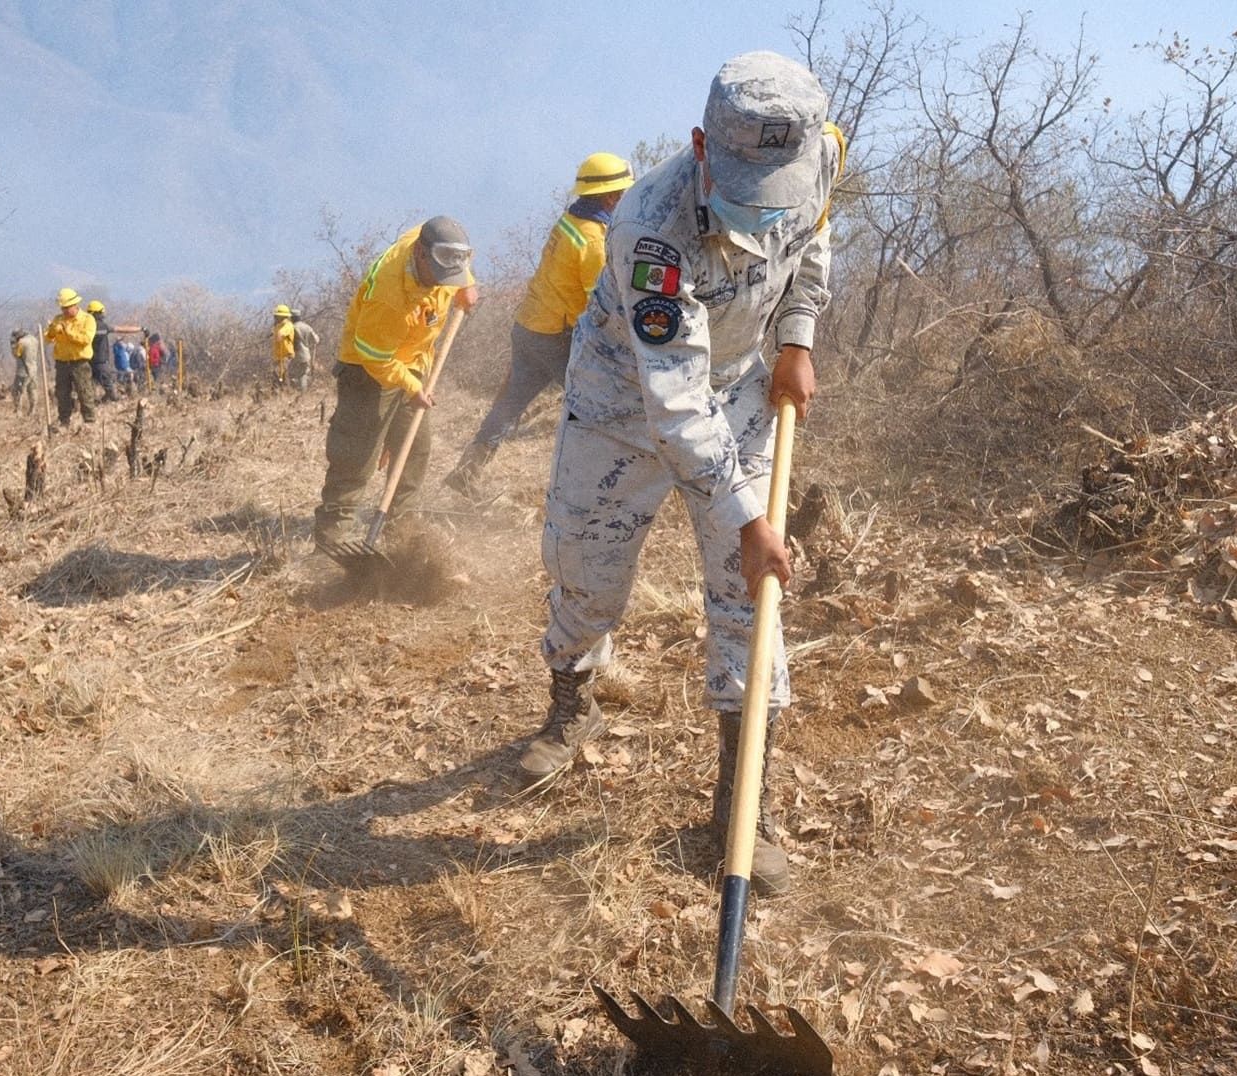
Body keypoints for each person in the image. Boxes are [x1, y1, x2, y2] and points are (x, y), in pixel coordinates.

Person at [522, 52, 846, 895]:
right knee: (586, 570)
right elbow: (673, 403)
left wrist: (799, 337)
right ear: (701, 144)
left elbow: (812, 245)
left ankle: (741, 806)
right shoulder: (649, 228)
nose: (760, 207)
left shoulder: (819, 158)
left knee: (751, 595)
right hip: (626, 398)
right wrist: (746, 518)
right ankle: (573, 696)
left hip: (739, 388)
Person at [443, 152, 635, 499]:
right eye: (622, 192)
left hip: (529, 326)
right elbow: (602, 303)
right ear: (610, 197)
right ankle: (586, 485)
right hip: (553, 337)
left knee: (510, 404)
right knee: (592, 404)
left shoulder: (570, 222)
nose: (625, 198)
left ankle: (466, 472)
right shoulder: (592, 241)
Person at [313, 216, 479, 555]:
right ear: (420, 255)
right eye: (440, 276)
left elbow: (456, 258)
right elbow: (375, 357)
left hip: (412, 361)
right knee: (356, 457)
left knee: (415, 447)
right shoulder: (389, 297)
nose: (442, 284)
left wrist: (465, 284)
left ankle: (401, 526)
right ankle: (332, 540)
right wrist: (410, 386)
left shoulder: (433, 246)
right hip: (368, 368)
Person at [44, 287, 97, 425]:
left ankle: (89, 422)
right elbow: (47, 339)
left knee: (85, 392)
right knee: (62, 394)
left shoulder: (88, 319)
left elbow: (86, 339)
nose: (65, 311)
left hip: (80, 363)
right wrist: (52, 331)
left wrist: (68, 332)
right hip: (62, 363)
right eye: (63, 308)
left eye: (68, 307)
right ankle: (64, 422)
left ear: (75, 305)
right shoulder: (58, 319)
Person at [88, 300, 119, 403]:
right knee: (110, 390)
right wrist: (141, 329)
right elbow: (120, 328)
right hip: (101, 363)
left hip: (89, 362)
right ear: (97, 313)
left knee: (89, 389)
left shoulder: (86, 327)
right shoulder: (103, 326)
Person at [9, 328, 42, 415]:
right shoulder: (34, 339)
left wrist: (13, 345)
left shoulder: (21, 342)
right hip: (33, 369)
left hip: (23, 370)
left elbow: (16, 354)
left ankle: (18, 411)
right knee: (32, 390)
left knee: (17, 390)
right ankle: (32, 410)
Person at [290, 309, 319, 392]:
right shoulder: (307, 327)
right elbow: (316, 340)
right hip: (306, 355)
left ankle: (299, 395)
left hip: (294, 355)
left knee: (293, 375)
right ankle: (301, 394)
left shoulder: (291, 327)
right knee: (302, 375)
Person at [271, 304, 297, 388]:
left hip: (286, 355)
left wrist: (278, 335)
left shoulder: (288, 325)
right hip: (278, 356)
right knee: (282, 376)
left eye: (276, 316)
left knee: (277, 373)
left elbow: (281, 333)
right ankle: (285, 393)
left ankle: (278, 393)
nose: (275, 317)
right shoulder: (277, 326)